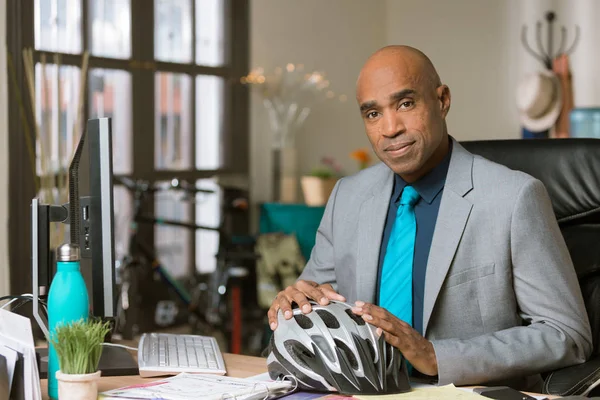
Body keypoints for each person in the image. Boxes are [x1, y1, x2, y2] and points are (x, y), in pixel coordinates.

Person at [267, 45, 592, 391]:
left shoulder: (513, 198)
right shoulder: (347, 197)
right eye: (373, 114)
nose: (390, 128)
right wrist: (296, 308)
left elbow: (566, 334)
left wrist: (435, 355)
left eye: (406, 104)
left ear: (442, 100)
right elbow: (315, 304)